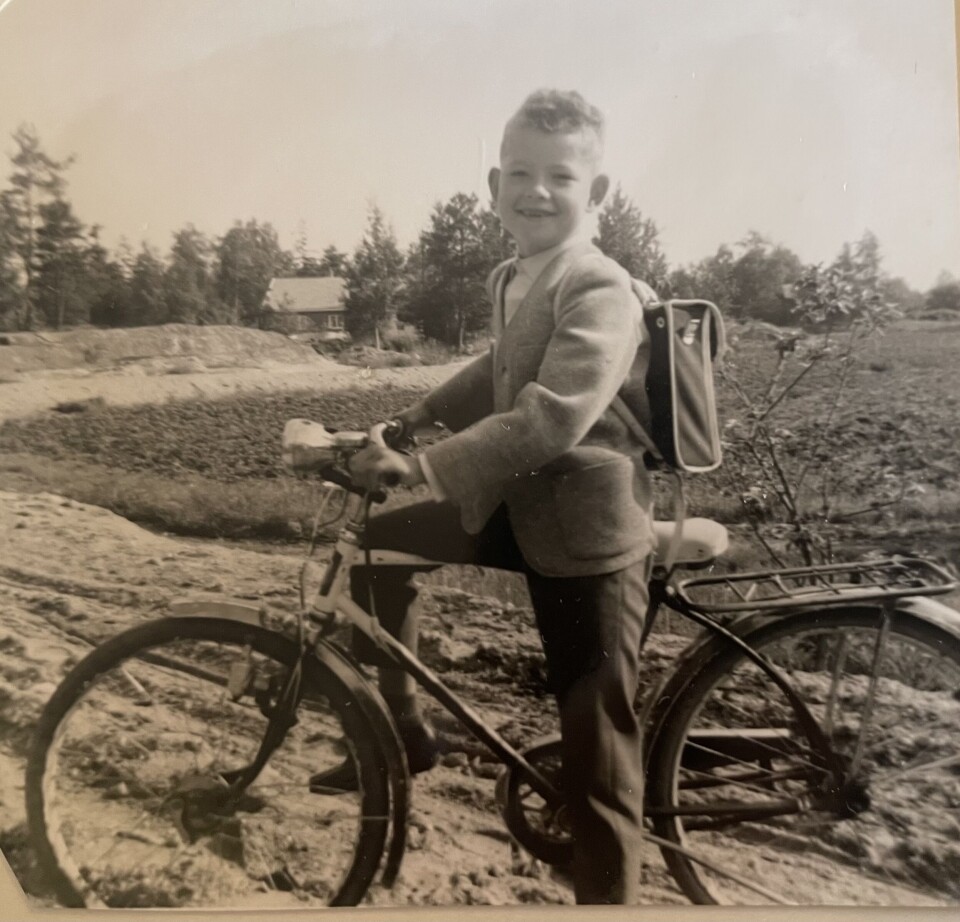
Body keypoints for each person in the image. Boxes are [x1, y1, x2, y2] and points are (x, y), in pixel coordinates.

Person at [328, 88, 656, 905]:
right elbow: (498, 371)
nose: (535, 192)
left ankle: (610, 898)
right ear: (492, 182)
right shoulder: (517, 273)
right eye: (519, 173)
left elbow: (553, 413)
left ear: (599, 194)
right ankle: (406, 734)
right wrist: (413, 419)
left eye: (559, 176)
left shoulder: (600, 285)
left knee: (597, 752)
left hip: (586, 528)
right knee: (373, 555)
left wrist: (426, 467)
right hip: (515, 507)